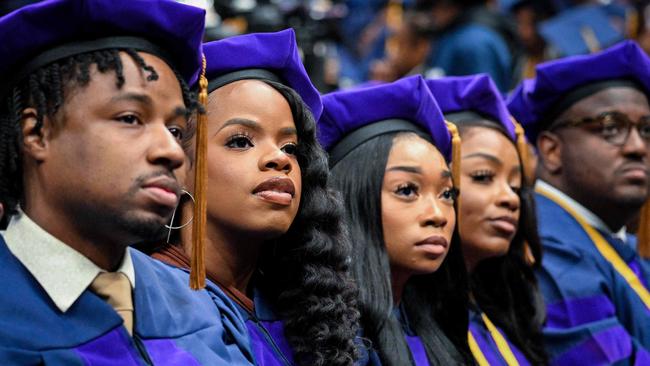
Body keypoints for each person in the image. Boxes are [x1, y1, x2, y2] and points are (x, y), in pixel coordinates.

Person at [0, 0, 252, 364]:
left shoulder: (199, 305)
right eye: (131, 118)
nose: (172, 151)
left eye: (176, 130)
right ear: (37, 132)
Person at [149, 29, 360, 366]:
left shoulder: (294, 310)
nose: (279, 159)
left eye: (290, 147)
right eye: (240, 141)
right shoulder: (149, 299)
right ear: (180, 164)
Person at [508, 40, 650, 364]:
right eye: (611, 128)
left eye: (647, 130)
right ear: (551, 150)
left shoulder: (610, 239)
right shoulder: (545, 247)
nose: (637, 147)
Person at [319, 75, 472, 365]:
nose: (438, 215)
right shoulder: (330, 338)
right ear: (349, 198)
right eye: (407, 190)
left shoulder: (435, 323)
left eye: (447, 193)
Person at [426, 74, 548, 365]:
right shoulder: (403, 325)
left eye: (516, 186)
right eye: (483, 176)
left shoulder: (502, 311)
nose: (510, 198)